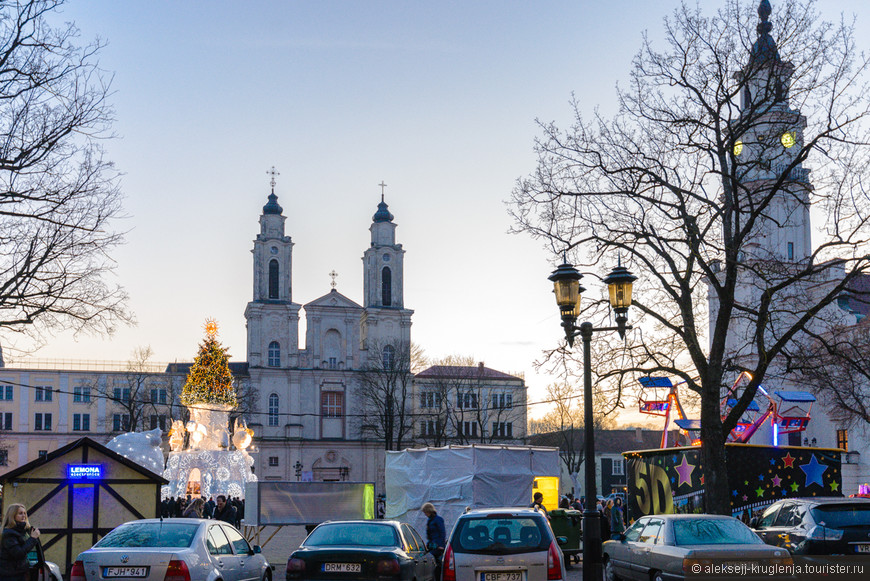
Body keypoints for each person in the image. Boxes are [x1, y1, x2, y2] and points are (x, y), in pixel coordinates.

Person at [0, 504, 41, 581]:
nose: (24, 516)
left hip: (18, 573)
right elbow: (19, 553)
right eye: (20, 513)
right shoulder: (9, 534)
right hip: (10, 575)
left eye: (25, 513)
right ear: (12, 515)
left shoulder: (21, 531)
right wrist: (32, 538)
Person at [421, 503, 446, 581]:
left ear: (429, 511)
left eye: (425, 512)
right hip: (432, 545)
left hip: (438, 546)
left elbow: (442, 533)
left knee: (437, 565)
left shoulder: (438, 519)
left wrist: (441, 545)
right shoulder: (430, 520)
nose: (425, 514)